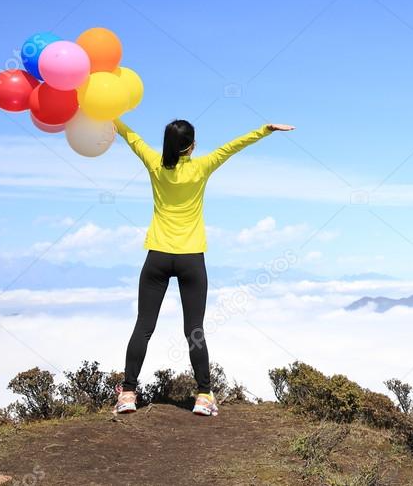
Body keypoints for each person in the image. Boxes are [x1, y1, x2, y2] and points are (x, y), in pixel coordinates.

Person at [111, 117, 294, 416]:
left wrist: (111, 118)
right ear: (192, 146)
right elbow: (231, 147)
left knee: (144, 327)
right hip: (191, 258)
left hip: (157, 255)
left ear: (167, 145)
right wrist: (265, 130)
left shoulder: (155, 164)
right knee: (194, 329)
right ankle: (203, 396)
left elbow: (131, 137)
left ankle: (128, 394)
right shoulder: (202, 166)